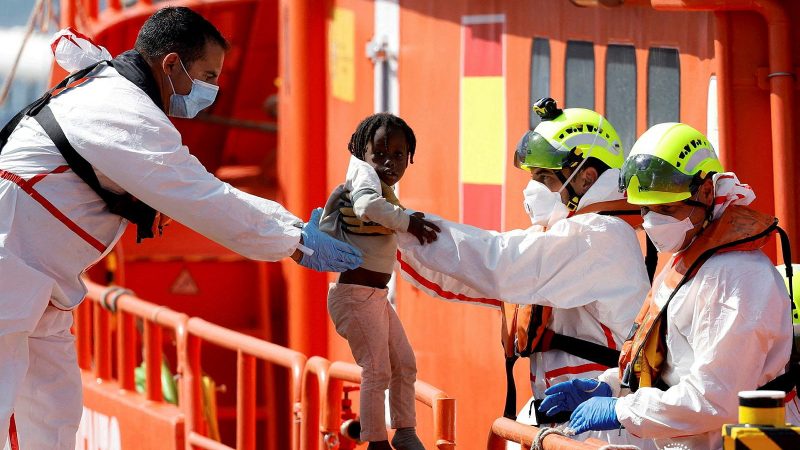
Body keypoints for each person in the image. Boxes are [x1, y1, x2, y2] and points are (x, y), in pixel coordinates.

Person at [0, 8, 361, 449]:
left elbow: (191, 189)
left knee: (54, 415)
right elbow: (202, 196)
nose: (212, 90)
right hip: (13, 270)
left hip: (37, 281)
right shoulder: (122, 111)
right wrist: (295, 240)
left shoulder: (109, 92)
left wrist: (290, 227)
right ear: (170, 64)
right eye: (207, 75)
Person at [396, 99, 653, 448]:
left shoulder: (597, 237)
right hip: (567, 426)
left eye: (544, 177)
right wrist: (384, 243)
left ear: (587, 177)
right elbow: (467, 277)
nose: (532, 188)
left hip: (601, 429)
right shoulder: (569, 234)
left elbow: (499, 264)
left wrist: (401, 226)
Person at [539, 122, 800, 450]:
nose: (652, 222)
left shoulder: (737, 278)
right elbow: (672, 361)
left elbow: (714, 398)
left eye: (667, 209)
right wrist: (611, 386)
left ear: (706, 192)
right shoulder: (692, 254)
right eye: (646, 209)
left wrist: (621, 408)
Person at [320, 113, 440, 450]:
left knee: (404, 363)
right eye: (380, 154)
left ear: (410, 156)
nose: (390, 162)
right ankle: (376, 442)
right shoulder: (364, 179)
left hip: (373, 296)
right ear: (363, 153)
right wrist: (407, 221)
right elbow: (367, 206)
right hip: (354, 295)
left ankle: (404, 431)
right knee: (377, 369)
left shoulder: (378, 182)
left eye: (399, 155)